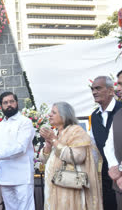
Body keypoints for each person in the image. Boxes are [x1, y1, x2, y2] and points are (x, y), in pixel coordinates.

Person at [39, 102, 102, 210]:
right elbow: (43, 160)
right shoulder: (55, 132)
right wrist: (48, 145)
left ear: (64, 116)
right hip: (54, 186)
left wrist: (54, 140)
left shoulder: (76, 131)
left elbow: (77, 157)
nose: (50, 115)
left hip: (70, 189)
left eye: (54, 112)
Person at [0, 92, 35, 210]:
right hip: (5, 176)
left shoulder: (25, 122)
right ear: (1, 106)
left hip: (22, 176)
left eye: (11, 101)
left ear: (17, 103)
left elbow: (21, 147)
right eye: (5, 102)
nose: (9, 105)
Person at [90, 76, 122, 210]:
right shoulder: (95, 116)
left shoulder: (120, 110)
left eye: (98, 88)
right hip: (106, 175)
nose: (94, 92)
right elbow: (93, 147)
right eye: (92, 89)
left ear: (110, 90)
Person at [104, 70, 122, 209]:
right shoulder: (118, 115)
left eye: (121, 84)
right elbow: (108, 144)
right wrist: (113, 166)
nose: (118, 89)